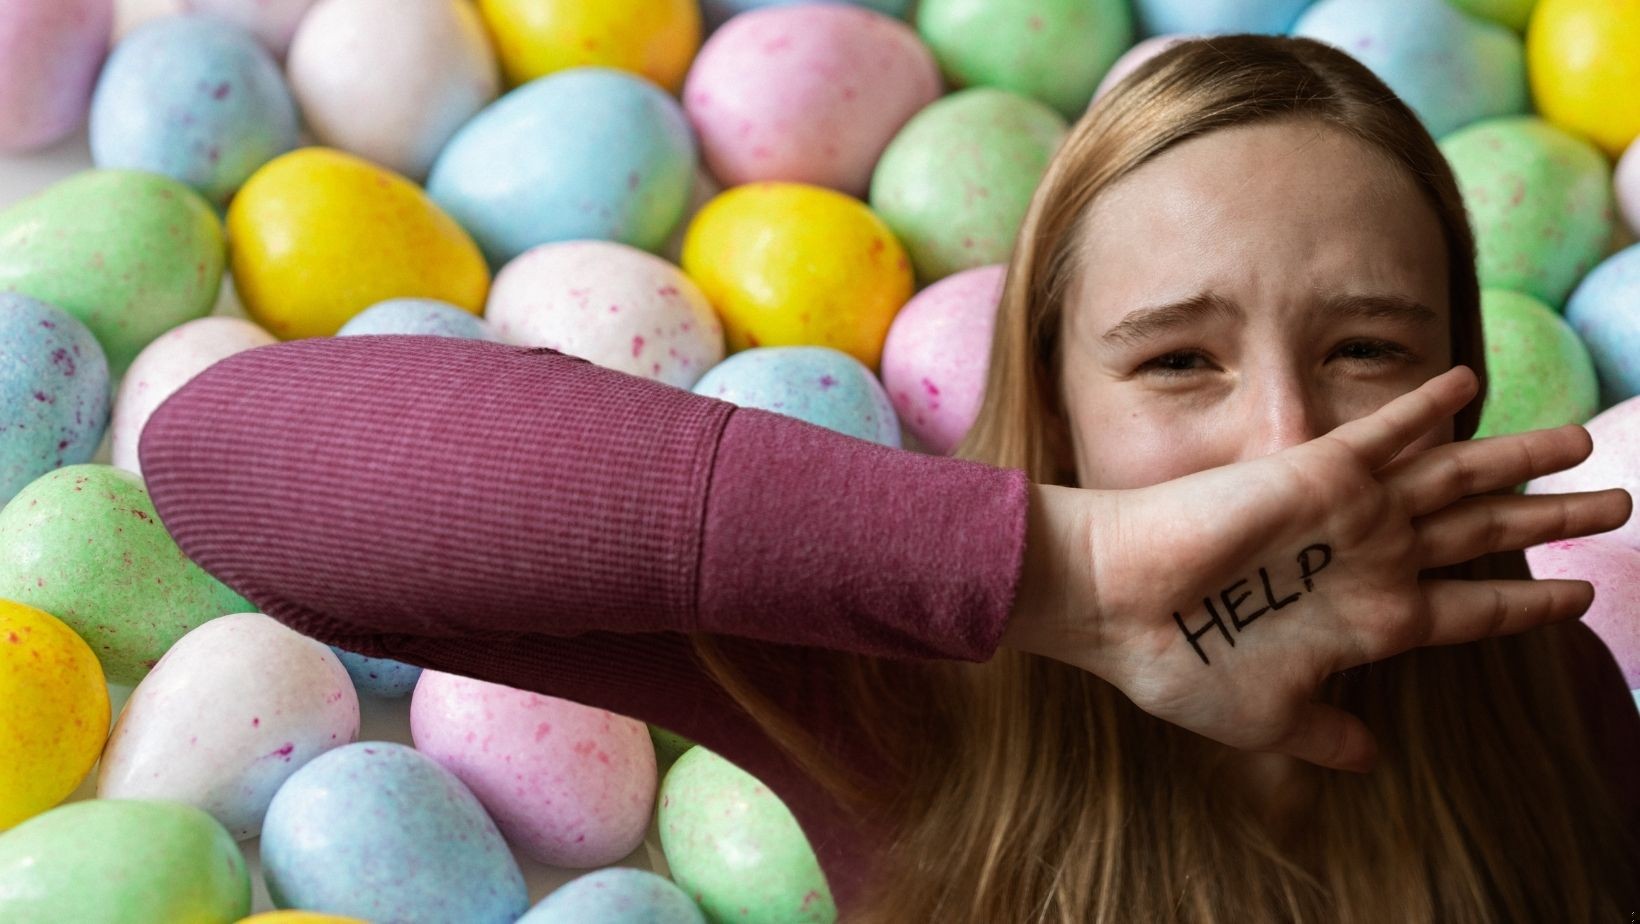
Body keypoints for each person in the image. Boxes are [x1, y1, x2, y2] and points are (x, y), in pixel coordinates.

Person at [138, 35, 1638, 922]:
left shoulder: (1548, 699)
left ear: (1463, 379)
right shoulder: (905, 689)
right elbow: (223, 461)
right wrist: (1067, 576)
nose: (1285, 441)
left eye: (1369, 348)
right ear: (1054, 404)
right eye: (1179, 360)